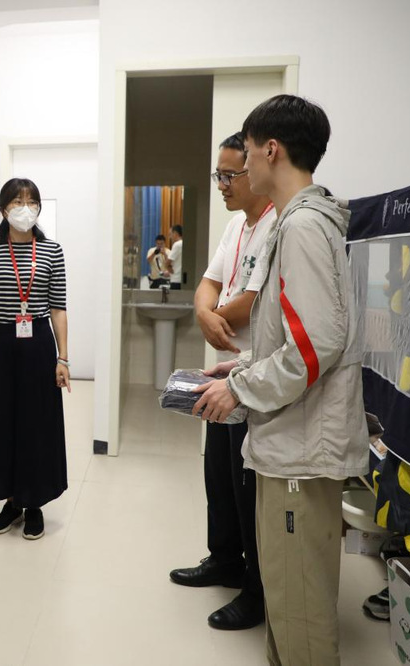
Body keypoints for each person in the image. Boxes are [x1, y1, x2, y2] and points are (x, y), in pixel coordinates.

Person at [193, 95, 369, 665]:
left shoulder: (303, 228)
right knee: (288, 608)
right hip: (288, 446)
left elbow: (317, 346)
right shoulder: (295, 224)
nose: (241, 167)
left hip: (301, 454)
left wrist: (238, 389)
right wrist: (243, 366)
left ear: (271, 150)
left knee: (300, 618)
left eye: (245, 153)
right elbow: (294, 336)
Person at [169, 132, 277, 631]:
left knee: (247, 485)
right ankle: (225, 559)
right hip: (225, 372)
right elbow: (209, 282)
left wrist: (212, 316)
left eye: (230, 174)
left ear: (255, 168)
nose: (222, 184)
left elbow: (255, 300)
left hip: (256, 374)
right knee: (218, 472)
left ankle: (256, 589)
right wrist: (203, 312)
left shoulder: (278, 224)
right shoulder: (236, 225)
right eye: (219, 175)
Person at [0, 178, 71, 540]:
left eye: (31, 201)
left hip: (38, 343)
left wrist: (63, 358)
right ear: (3, 210)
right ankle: (11, 500)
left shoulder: (52, 251)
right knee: (0, 422)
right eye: (17, 202)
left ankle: (34, 502)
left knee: (36, 423)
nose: (25, 208)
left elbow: (58, 308)